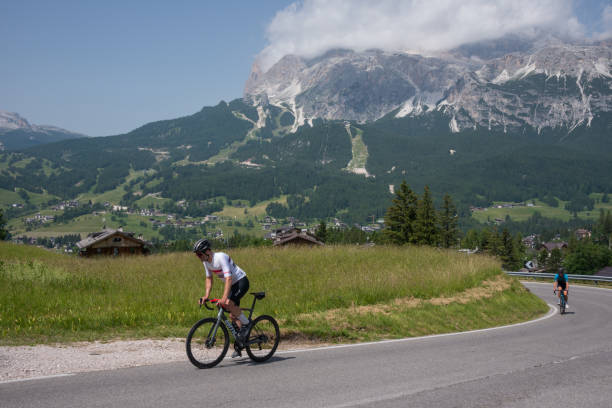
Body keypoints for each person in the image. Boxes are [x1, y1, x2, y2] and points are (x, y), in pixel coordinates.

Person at [193, 239, 251, 356]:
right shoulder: (206, 262)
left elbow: (228, 278)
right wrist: (206, 296)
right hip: (232, 285)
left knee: (228, 303)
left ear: (207, 251)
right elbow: (209, 278)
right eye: (197, 255)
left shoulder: (220, 257)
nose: (198, 257)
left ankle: (247, 325)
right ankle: (241, 343)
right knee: (232, 315)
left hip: (241, 281)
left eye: (199, 254)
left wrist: (224, 298)